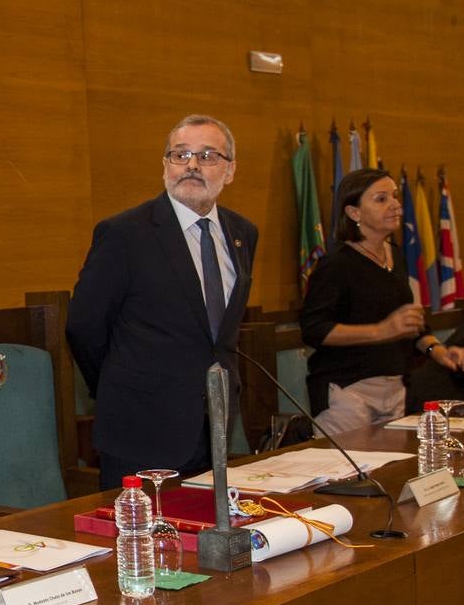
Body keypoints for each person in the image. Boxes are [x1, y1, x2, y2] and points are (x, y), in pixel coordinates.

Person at [66, 115, 258, 489]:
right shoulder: (125, 234)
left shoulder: (242, 233)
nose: (191, 165)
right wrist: (118, 384)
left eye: (207, 156)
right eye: (180, 155)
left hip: (214, 427)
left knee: (206, 538)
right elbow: (84, 327)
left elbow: (218, 335)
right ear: (165, 166)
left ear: (230, 170)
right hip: (140, 428)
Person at [300, 168, 461, 434]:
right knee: (349, 475)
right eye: (381, 199)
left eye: (395, 197)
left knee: (389, 474)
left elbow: (411, 326)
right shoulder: (336, 264)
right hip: (348, 392)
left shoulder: (394, 256)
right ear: (354, 213)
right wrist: (381, 330)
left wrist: (440, 352)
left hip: (396, 388)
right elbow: (314, 329)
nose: (396, 205)